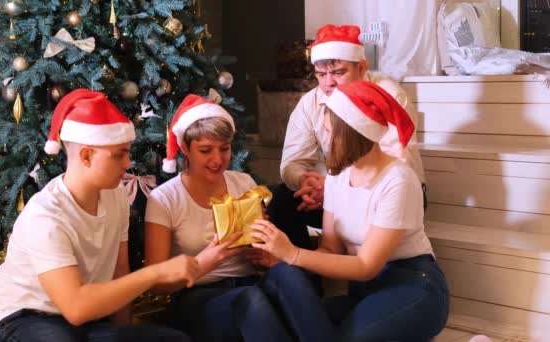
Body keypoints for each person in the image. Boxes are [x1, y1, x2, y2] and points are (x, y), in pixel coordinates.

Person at [0, 89, 199, 342]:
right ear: (86, 155)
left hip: (85, 320)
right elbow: (76, 307)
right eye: (119, 154)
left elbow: (119, 270)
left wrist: (123, 335)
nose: (128, 163)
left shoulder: (116, 195)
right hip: (23, 319)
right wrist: (156, 273)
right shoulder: (46, 216)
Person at [251, 81, 449, 341]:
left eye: (330, 133)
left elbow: (366, 265)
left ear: (353, 134)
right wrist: (281, 259)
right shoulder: (337, 176)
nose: (325, 141)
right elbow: (330, 250)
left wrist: (294, 254)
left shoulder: (398, 181)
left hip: (413, 286)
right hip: (365, 292)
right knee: (295, 324)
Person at [144, 94, 295, 342]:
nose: (217, 159)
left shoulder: (243, 182)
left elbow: (264, 256)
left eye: (224, 149)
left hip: (251, 282)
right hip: (197, 296)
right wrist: (205, 262)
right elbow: (156, 282)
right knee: (253, 300)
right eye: (205, 150)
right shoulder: (164, 199)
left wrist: (263, 252)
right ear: (185, 149)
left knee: (289, 277)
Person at [267, 24, 426, 250]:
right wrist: (305, 181)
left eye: (338, 72)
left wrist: (335, 190)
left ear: (362, 67)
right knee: (283, 198)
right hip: (337, 192)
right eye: (321, 75)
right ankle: (302, 278)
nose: (328, 82)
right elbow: (292, 163)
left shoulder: (388, 95)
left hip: (386, 194)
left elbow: (398, 162)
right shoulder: (310, 103)